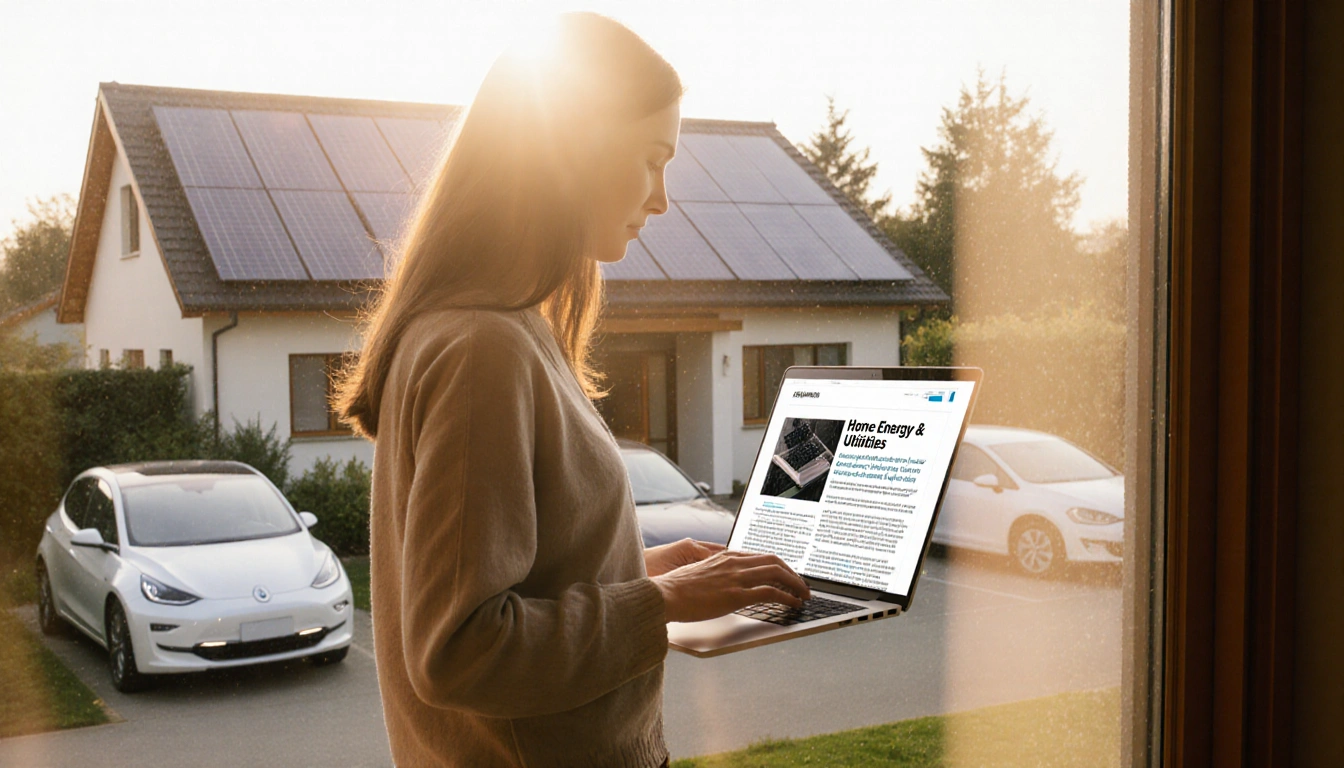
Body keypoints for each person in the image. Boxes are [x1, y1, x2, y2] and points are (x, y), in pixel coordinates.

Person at [332, 12, 811, 768]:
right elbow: (462, 650)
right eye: (652, 159)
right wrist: (665, 603)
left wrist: (643, 570)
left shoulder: (507, 330)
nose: (662, 198)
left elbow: (522, 578)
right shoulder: (481, 348)